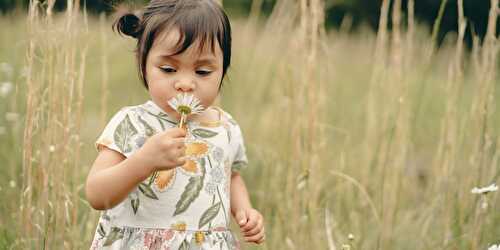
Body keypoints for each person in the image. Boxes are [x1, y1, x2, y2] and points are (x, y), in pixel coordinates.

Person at [85, 0, 265, 249]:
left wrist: (245, 211)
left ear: (223, 70)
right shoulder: (132, 123)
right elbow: (96, 194)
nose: (185, 83)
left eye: (202, 72)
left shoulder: (226, 127)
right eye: (169, 69)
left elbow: (231, 176)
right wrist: (143, 161)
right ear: (144, 65)